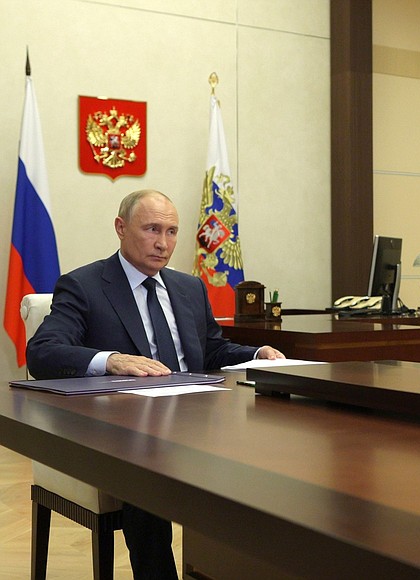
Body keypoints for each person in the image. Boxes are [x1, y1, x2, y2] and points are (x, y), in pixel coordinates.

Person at [27, 189, 285, 579]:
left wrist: (257, 353)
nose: (163, 243)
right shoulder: (84, 285)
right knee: (147, 473)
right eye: (151, 229)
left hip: (195, 420)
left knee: (264, 464)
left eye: (171, 231)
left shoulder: (189, 288)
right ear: (121, 228)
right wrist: (110, 360)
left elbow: (211, 350)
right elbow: (42, 352)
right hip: (125, 430)